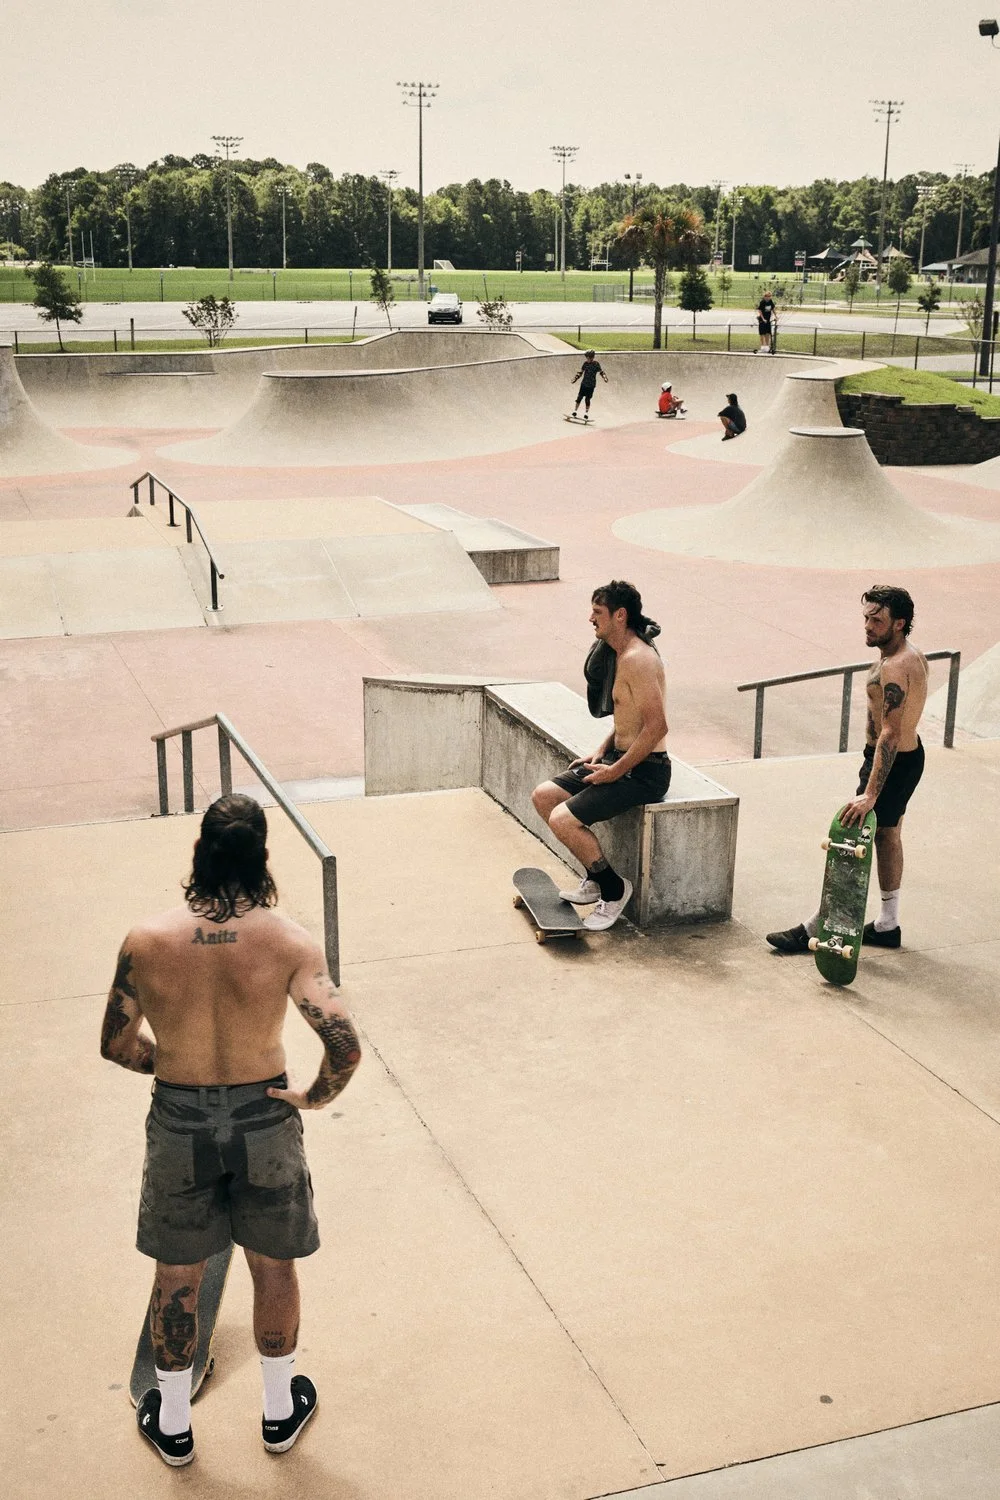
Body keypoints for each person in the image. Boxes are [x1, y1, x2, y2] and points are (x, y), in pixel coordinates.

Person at [100, 794, 361, 1466]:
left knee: (178, 1274)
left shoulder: (147, 940)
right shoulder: (289, 941)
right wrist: (311, 1096)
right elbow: (344, 1045)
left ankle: (176, 1424)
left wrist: (176, 1067)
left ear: (201, 852)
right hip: (264, 1118)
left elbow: (117, 1043)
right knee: (273, 1266)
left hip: (180, 1118)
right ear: (262, 855)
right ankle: (279, 1414)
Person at [766, 587, 928, 955]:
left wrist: (871, 792)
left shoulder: (894, 666)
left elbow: (889, 731)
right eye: (866, 618)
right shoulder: (912, 656)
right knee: (888, 836)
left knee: (852, 837)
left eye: (877, 620)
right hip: (908, 758)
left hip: (889, 763)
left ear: (899, 624)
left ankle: (817, 924)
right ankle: (888, 924)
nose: (868, 627)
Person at [531, 581, 670, 931]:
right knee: (545, 796)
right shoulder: (620, 655)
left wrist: (615, 770)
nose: (590, 619)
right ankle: (596, 877)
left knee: (563, 819)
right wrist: (603, 750)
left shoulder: (639, 659)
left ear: (619, 616)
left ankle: (613, 889)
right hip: (620, 759)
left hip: (646, 771)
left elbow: (656, 727)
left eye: (598, 613)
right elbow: (630, 719)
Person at [571, 350, 609, 419]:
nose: (587, 359)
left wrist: (605, 378)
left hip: (591, 385)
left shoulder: (596, 364)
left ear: (592, 357)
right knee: (579, 397)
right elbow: (580, 372)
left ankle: (586, 413)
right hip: (584, 384)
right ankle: (575, 411)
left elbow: (601, 372)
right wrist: (575, 378)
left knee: (587, 399)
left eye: (588, 358)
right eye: (586, 358)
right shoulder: (585, 363)